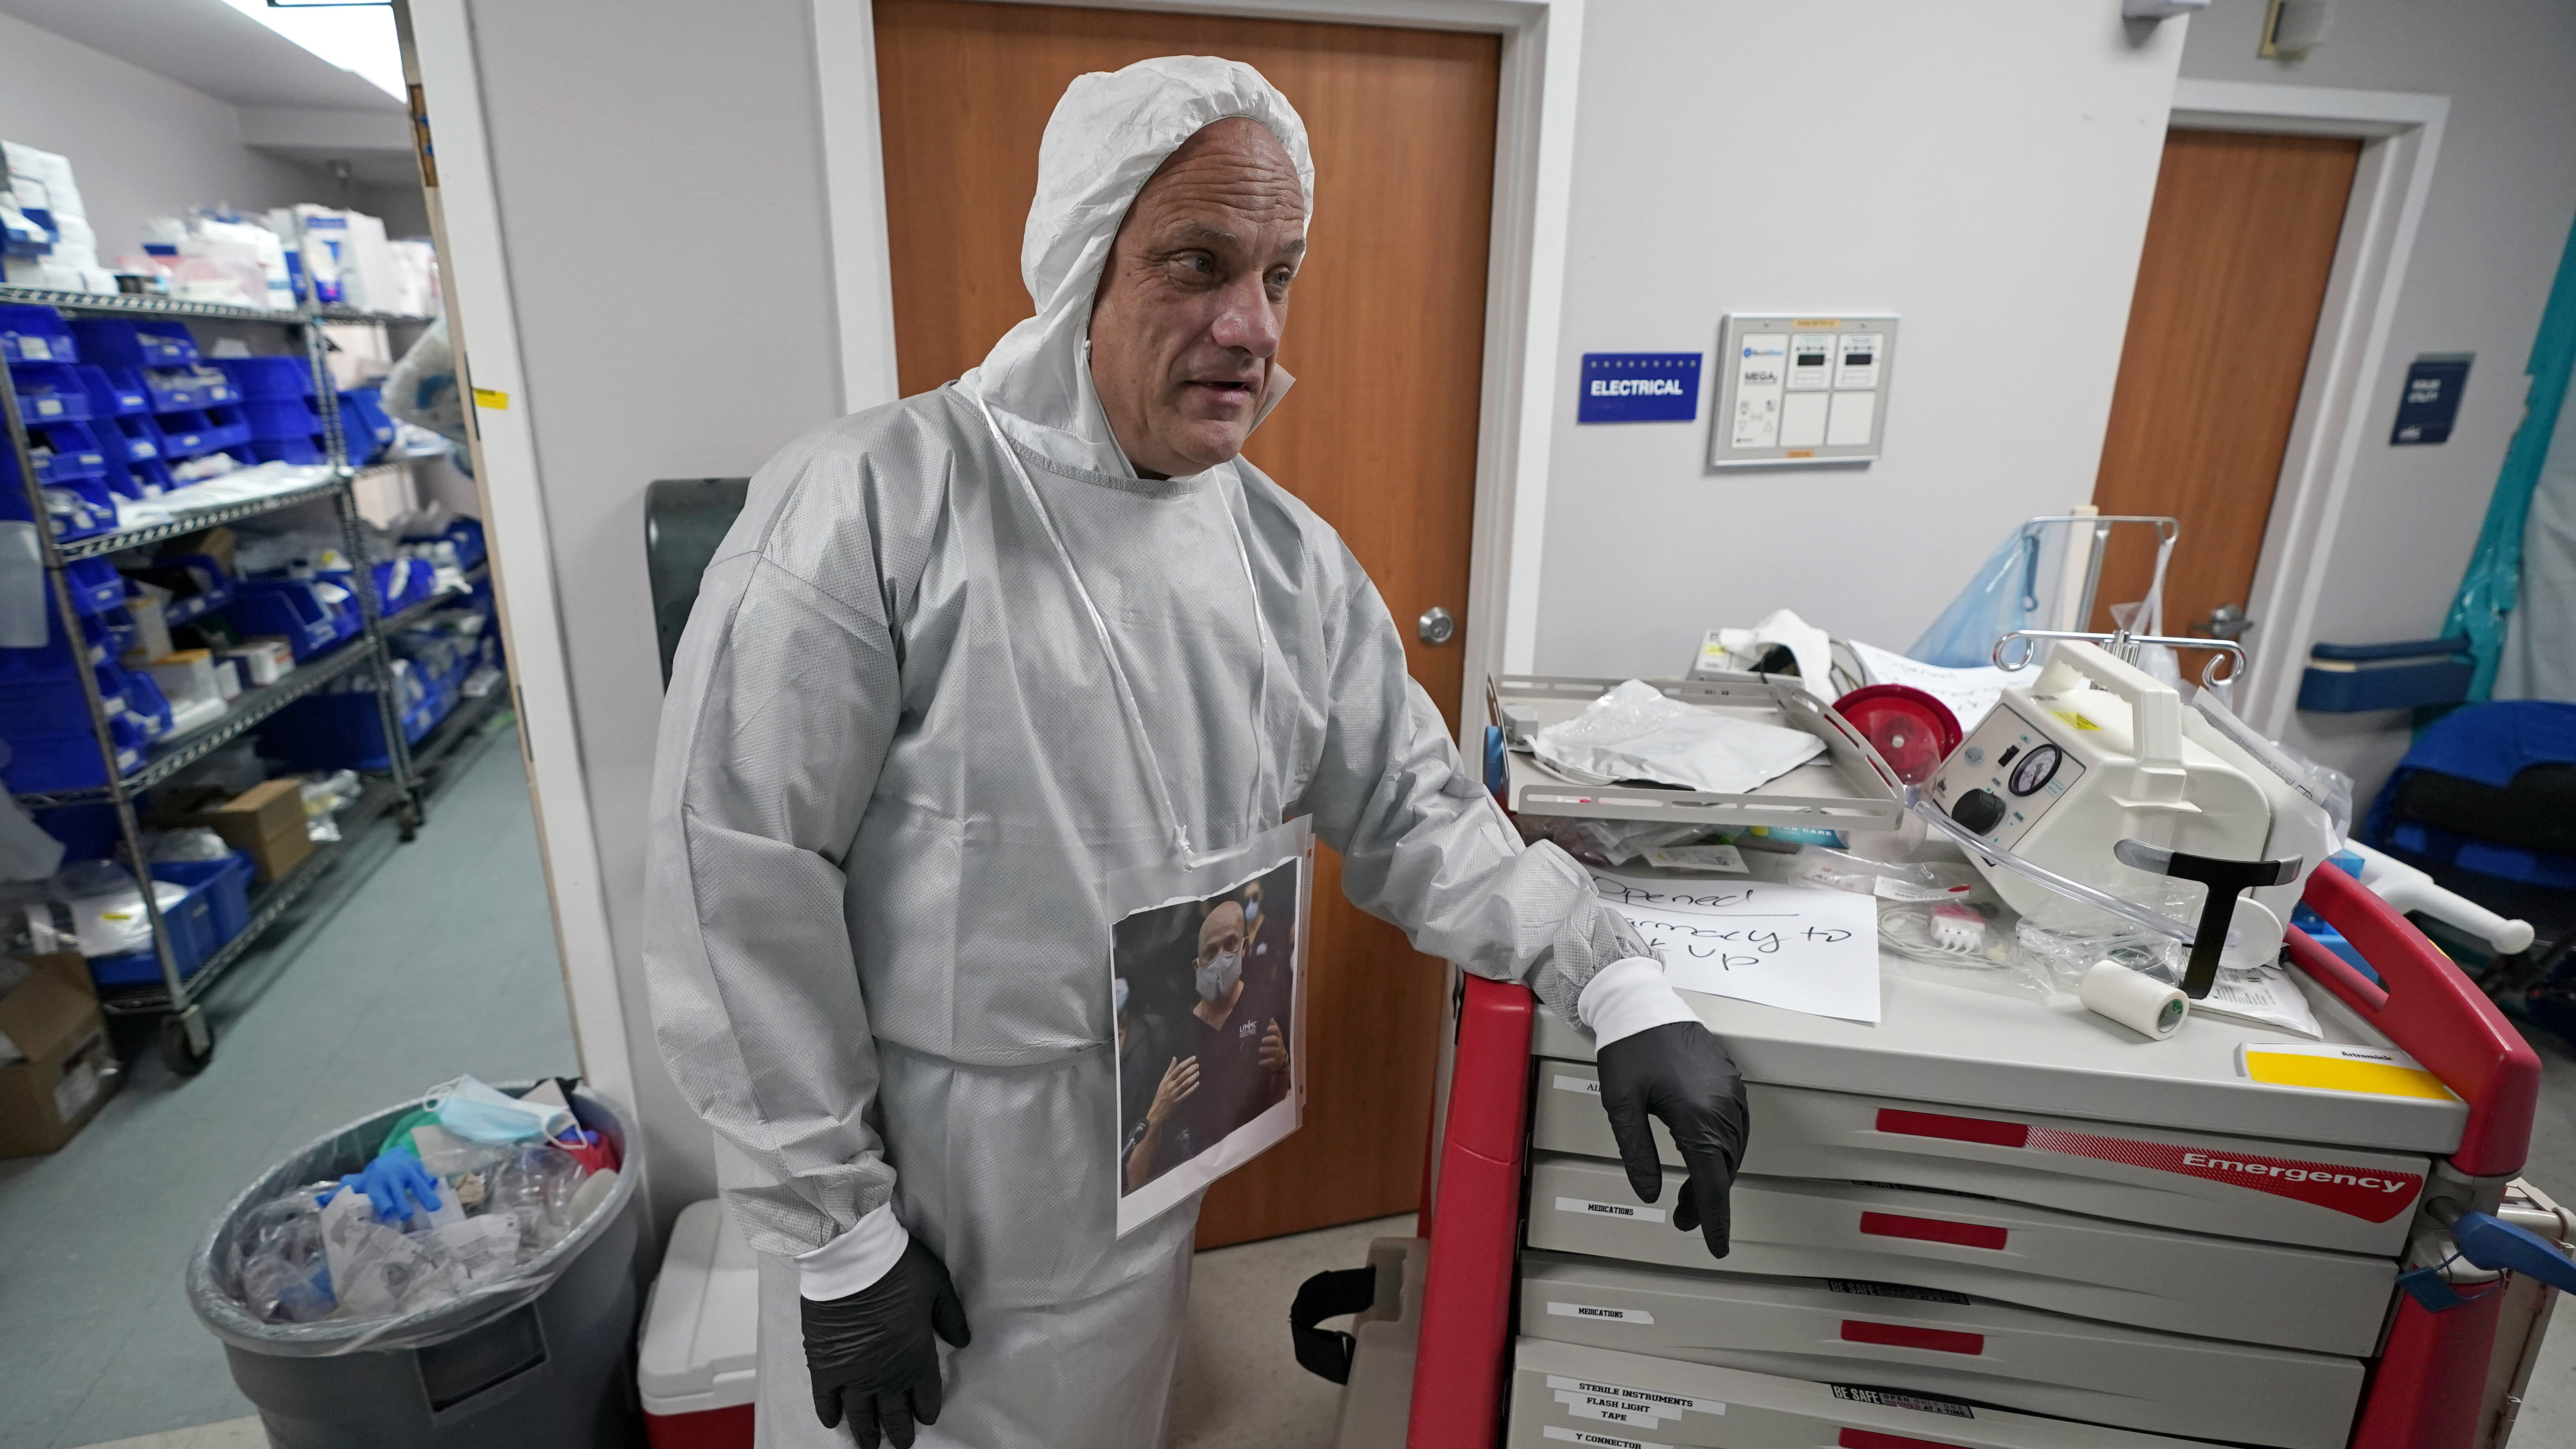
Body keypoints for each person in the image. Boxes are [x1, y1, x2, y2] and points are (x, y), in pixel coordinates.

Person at [643, 55, 1747, 1449]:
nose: (1251, 327)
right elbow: (734, 878)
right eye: (1196, 263)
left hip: (1165, 1130)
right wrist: (836, 1235)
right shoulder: (872, 504)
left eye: (1279, 275)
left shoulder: (1283, 558)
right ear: (1085, 268)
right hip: (935, 1172)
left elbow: (1412, 806)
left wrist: (1615, 981)